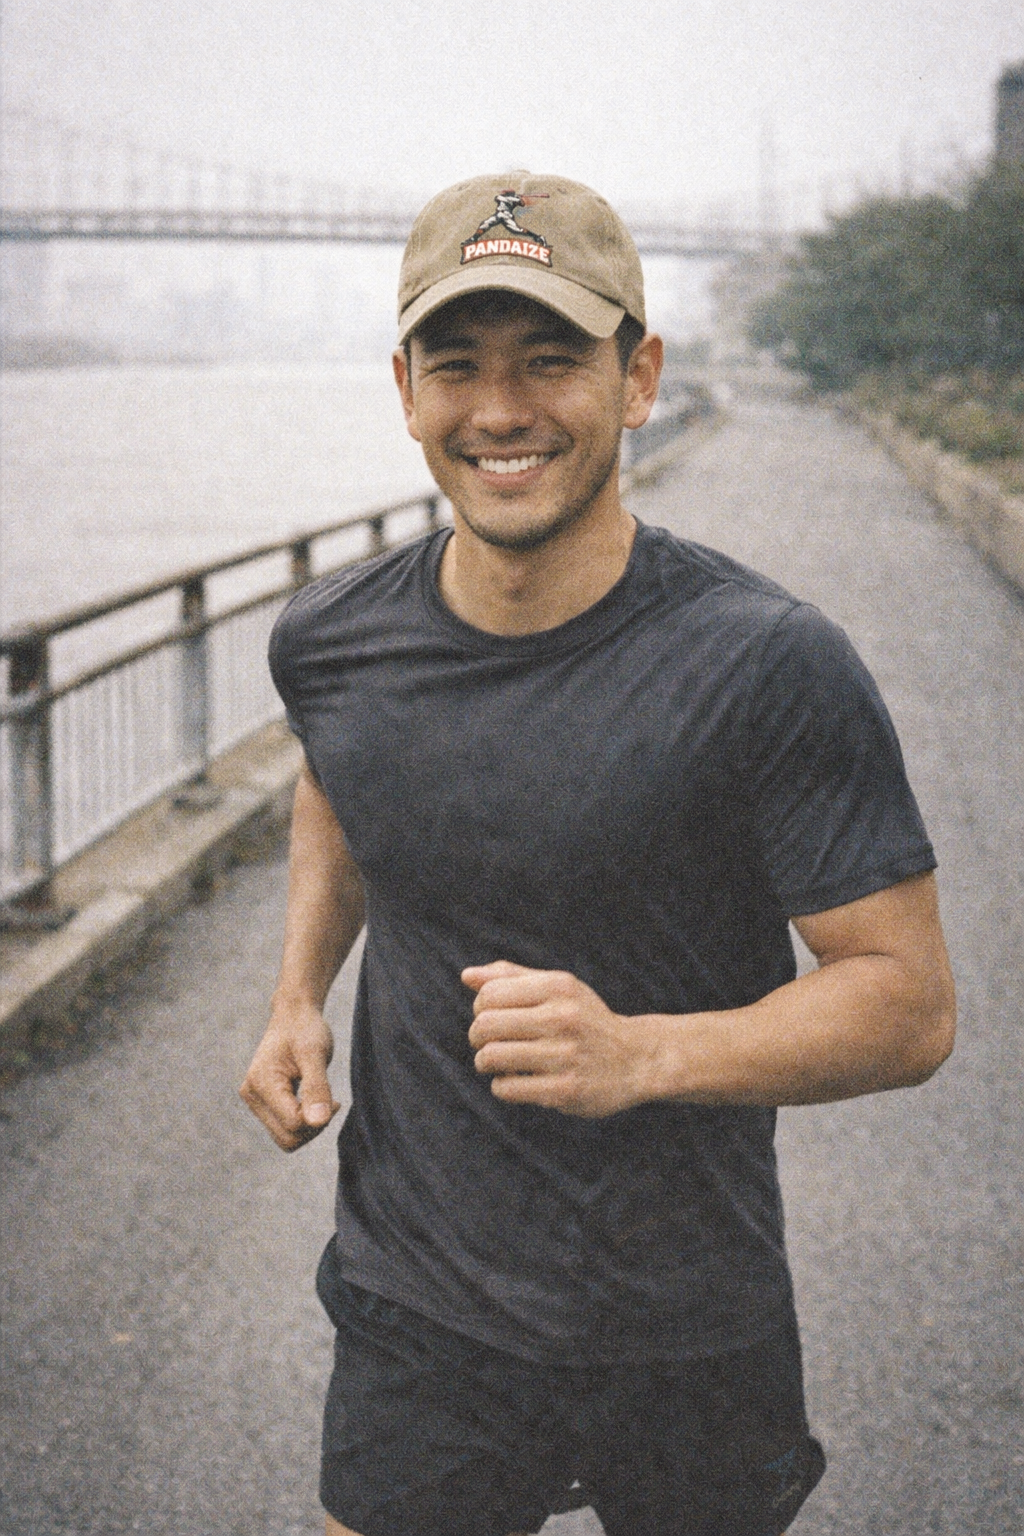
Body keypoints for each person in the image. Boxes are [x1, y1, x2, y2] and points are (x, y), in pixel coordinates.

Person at [240, 173, 956, 1536]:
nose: (501, 409)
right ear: (405, 390)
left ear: (640, 378)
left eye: (553, 360)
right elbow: (340, 775)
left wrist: (642, 1056)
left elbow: (910, 1005)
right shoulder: (330, 641)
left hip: (684, 1318)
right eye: (459, 366)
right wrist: (294, 996)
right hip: (418, 1309)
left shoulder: (767, 662)